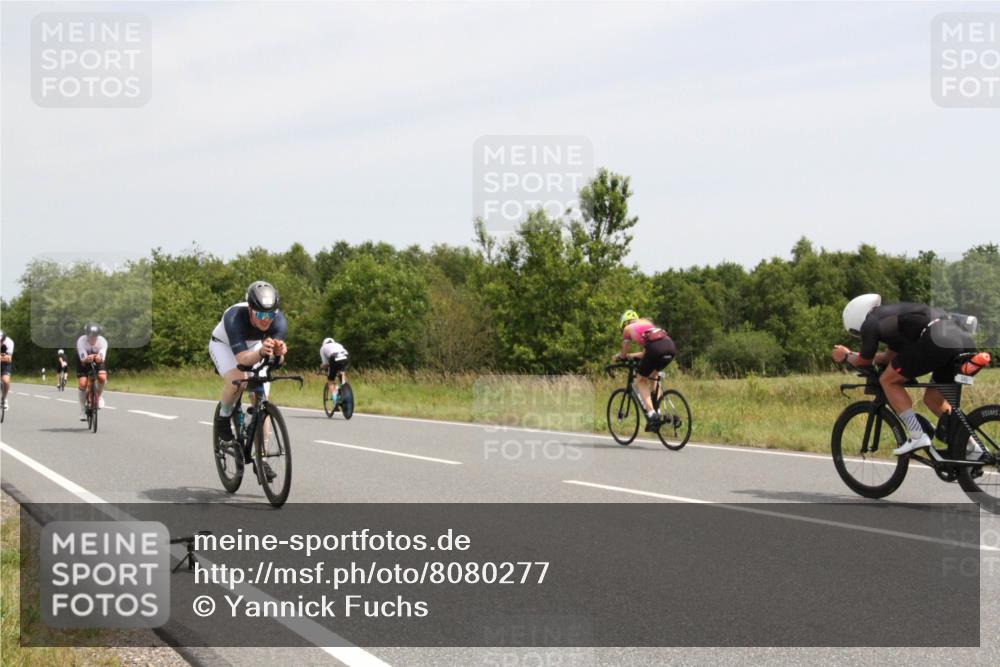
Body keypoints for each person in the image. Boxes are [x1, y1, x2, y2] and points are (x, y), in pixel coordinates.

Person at [832, 294, 982, 459]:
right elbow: (889, 357)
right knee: (933, 399)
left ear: (856, 319)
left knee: (888, 380)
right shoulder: (894, 317)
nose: (860, 334)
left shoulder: (871, 322)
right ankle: (972, 448)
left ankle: (917, 435)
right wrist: (853, 354)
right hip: (959, 339)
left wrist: (845, 356)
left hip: (935, 337)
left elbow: (864, 361)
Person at [209, 281, 288, 451]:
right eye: (260, 315)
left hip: (254, 346)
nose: (266, 320)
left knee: (260, 399)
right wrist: (261, 353)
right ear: (250, 310)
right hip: (224, 345)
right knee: (238, 380)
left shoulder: (279, 321)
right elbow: (243, 359)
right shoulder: (234, 317)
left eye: (271, 315)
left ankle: (262, 454)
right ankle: (223, 419)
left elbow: (277, 362)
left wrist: (279, 353)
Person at [613, 310, 678, 432]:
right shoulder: (647, 324)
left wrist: (620, 357)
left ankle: (652, 414)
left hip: (656, 349)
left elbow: (623, 354)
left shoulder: (628, 329)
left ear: (625, 323)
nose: (623, 330)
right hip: (670, 346)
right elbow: (644, 353)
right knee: (654, 376)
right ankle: (658, 411)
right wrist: (631, 356)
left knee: (640, 380)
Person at [76, 323, 109, 421]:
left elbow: (102, 357)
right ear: (87, 336)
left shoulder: (103, 341)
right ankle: (82, 409)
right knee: (82, 383)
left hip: (97, 359)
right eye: (90, 337)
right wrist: (87, 359)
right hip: (84, 360)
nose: (93, 339)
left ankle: (98, 397)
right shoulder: (81, 341)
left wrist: (98, 358)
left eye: (95, 337)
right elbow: (83, 359)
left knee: (102, 378)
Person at [319, 337, 349, 404]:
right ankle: (344, 384)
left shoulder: (323, 348)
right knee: (342, 370)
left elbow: (325, 363)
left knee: (331, 380)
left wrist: (322, 366)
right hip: (345, 356)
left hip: (334, 357)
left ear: (323, 343)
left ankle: (335, 399)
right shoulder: (338, 344)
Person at [1, 330, 13, 410]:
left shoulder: (9, 342)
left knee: (6, 381)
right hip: (3, 358)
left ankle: (4, 398)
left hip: (5, 363)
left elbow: (9, 359)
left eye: (1, 341)